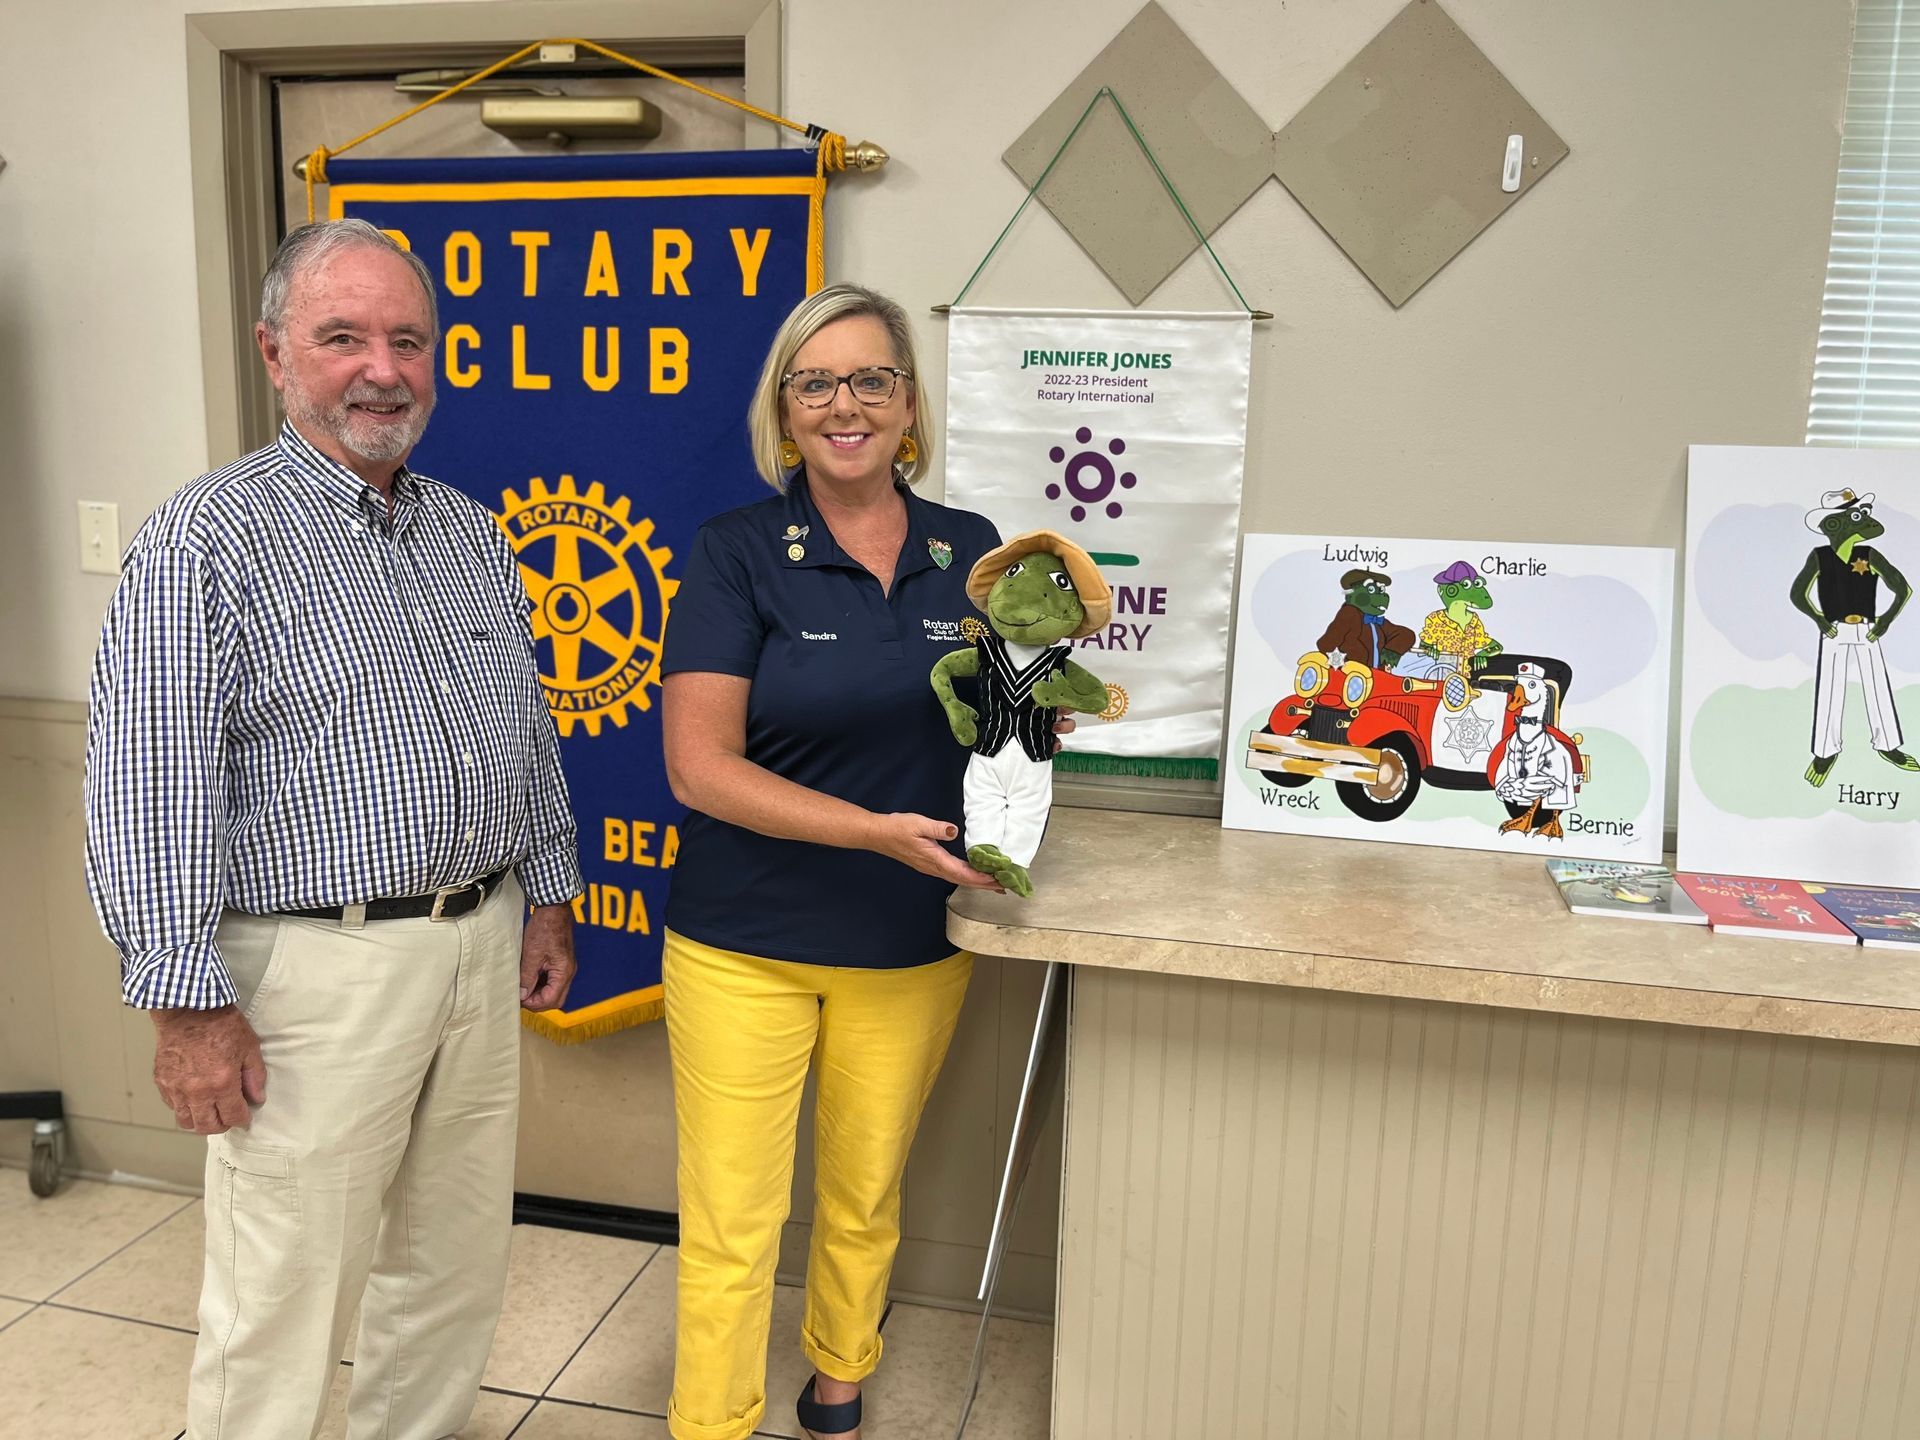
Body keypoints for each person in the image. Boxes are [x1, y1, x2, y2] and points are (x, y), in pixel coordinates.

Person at [83, 219, 582, 1440]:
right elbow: (146, 789)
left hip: (477, 940)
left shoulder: (468, 528)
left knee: (450, 1272)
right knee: (284, 1299)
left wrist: (551, 891)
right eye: (343, 337)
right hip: (310, 976)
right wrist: (187, 1007)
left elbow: (523, 730)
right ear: (274, 353)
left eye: (407, 340)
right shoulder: (207, 540)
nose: (382, 368)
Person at [660, 284, 1057, 1440]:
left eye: (871, 379)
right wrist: (872, 830)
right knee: (732, 1222)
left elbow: (996, 728)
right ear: (785, 414)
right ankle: (713, 1424)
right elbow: (700, 768)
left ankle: (838, 1385)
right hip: (744, 942)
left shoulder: (970, 550)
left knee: (865, 1197)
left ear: (908, 404)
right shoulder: (737, 551)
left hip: (908, 942)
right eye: (816, 382)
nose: (846, 404)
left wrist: (1031, 722)